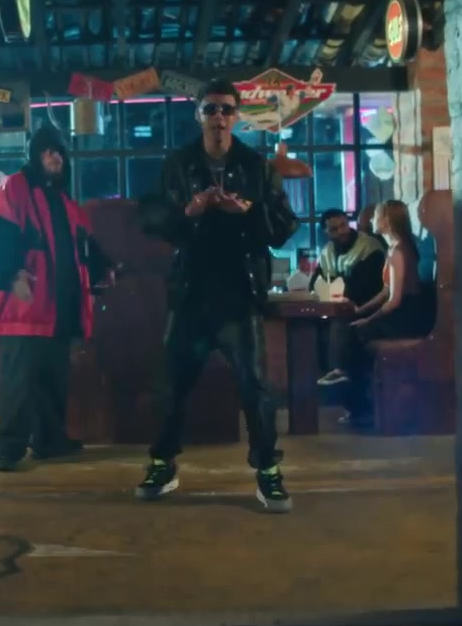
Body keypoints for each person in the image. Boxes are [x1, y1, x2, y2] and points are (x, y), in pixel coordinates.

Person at [135, 78, 302, 513]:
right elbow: (150, 219)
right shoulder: (178, 164)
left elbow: (284, 227)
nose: (219, 118)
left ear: (237, 116)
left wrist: (247, 212)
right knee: (171, 384)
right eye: (211, 109)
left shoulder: (256, 166)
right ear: (199, 116)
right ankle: (162, 463)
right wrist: (188, 211)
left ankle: (268, 471)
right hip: (191, 292)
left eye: (227, 110)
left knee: (255, 386)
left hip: (239, 293)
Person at [0, 124, 114, 472]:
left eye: (59, 151)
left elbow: (84, 243)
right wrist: (12, 275)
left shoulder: (64, 201)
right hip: (27, 306)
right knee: (20, 380)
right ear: (35, 156)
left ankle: (50, 441)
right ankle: (7, 449)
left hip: (59, 308)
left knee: (53, 378)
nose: (54, 157)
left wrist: (103, 269)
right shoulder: (13, 190)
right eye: (47, 151)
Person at [342, 200, 432, 426]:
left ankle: (361, 407)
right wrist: (360, 311)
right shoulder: (395, 248)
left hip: (407, 316)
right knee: (353, 328)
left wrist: (367, 320)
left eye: (376, 215)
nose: (371, 220)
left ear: (387, 221)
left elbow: (395, 300)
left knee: (355, 335)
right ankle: (362, 401)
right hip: (404, 311)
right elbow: (385, 292)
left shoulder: (398, 251)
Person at [309, 208, 386, 387]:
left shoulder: (369, 246)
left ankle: (337, 370)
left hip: (367, 309)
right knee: (310, 324)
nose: (341, 231)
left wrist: (339, 292)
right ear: (326, 232)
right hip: (337, 308)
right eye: (334, 229)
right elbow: (316, 283)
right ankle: (315, 375)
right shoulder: (327, 251)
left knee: (340, 321)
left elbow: (368, 286)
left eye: (343, 225)